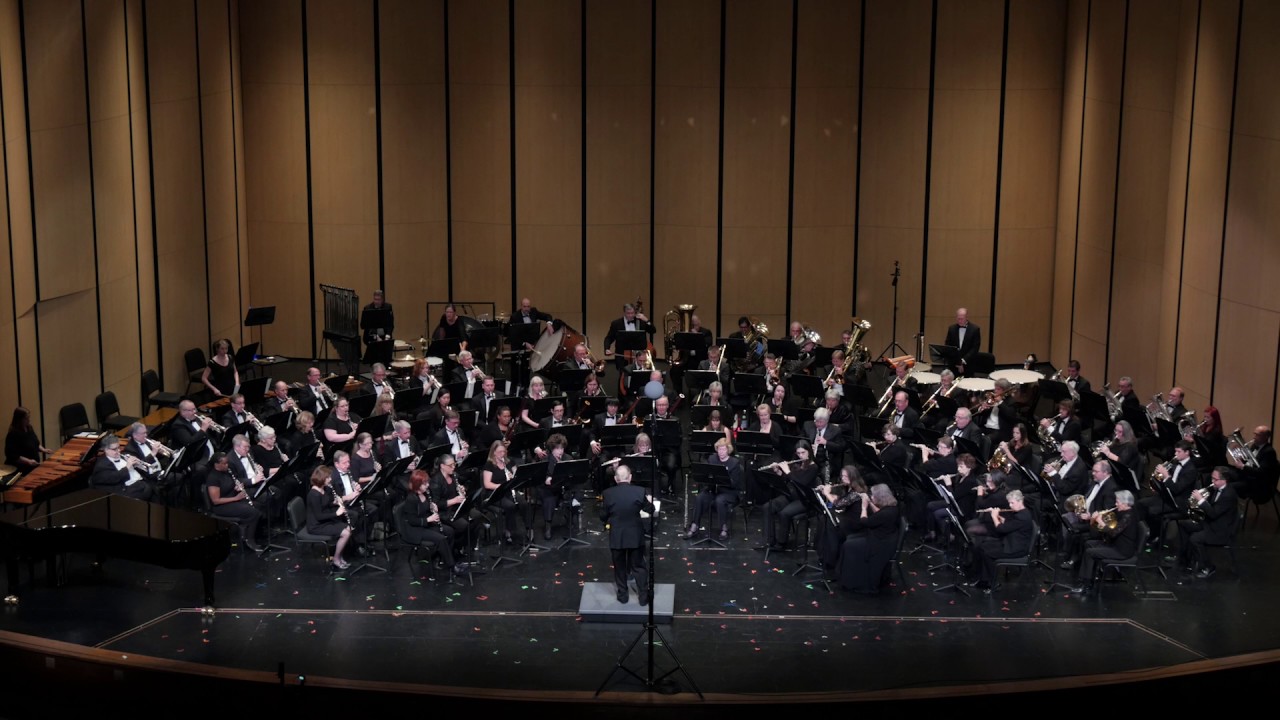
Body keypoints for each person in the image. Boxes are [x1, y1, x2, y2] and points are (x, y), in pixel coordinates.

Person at [599, 464, 653, 605]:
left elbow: (603, 516)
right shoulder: (639, 491)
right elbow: (651, 509)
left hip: (617, 536)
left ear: (616, 479)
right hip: (635, 535)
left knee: (620, 567)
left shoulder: (608, 493)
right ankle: (643, 597)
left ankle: (623, 596)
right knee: (638, 566)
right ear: (630, 477)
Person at [835, 483, 901, 594]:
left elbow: (864, 522)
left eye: (873, 496)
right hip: (883, 538)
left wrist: (864, 507)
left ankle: (852, 581)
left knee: (848, 545)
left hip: (881, 544)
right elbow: (878, 513)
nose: (872, 497)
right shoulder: (892, 508)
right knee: (851, 539)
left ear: (880, 497)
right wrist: (869, 502)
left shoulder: (886, 513)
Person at [1070, 489, 1140, 594]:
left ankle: (1086, 584)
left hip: (1122, 550)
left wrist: (1100, 522)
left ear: (1125, 504)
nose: (1115, 504)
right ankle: (1091, 577)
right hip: (1114, 544)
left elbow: (1113, 533)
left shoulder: (1129, 516)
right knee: (1088, 544)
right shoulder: (1120, 511)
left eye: (1118, 502)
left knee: (1089, 553)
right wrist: (1092, 517)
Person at [400, 468, 467, 575]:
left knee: (449, 531)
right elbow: (412, 521)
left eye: (427, 482)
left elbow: (426, 508)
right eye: (424, 483)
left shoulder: (426, 493)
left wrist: (432, 507)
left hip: (426, 525)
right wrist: (429, 519)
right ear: (417, 484)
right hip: (415, 530)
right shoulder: (411, 499)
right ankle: (452, 566)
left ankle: (444, 558)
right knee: (440, 539)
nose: (427, 485)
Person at [1176, 466, 1239, 577]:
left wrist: (1201, 500)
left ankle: (1207, 566)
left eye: (1215, 479)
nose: (1212, 481)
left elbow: (1213, 514)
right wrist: (1201, 501)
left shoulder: (1229, 495)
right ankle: (1185, 558)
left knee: (1195, 539)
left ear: (1224, 480)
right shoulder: (1215, 488)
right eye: (1212, 478)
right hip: (1210, 523)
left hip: (1220, 531)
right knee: (1183, 524)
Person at [967, 489, 1032, 592]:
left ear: (1020, 501)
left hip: (1016, 549)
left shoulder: (1022, 516)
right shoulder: (1020, 512)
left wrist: (994, 517)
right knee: (982, 546)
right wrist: (998, 516)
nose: (1010, 505)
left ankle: (993, 582)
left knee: (986, 552)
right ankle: (982, 578)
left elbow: (1001, 529)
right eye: (1009, 503)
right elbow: (1009, 524)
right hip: (1010, 543)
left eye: (1012, 503)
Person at [761, 442, 819, 550]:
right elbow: (788, 480)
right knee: (767, 507)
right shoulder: (797, 464)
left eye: (803, 452)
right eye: (798, 453)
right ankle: (769, 541)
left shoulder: (813, 467)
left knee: (784, 513)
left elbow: (801, 482)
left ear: (809, 452)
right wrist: (778, 472)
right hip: (791, 495)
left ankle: (781, 543)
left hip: (804, 499)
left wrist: (787, 471)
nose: (801, 456)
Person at [684, 437, 744, 540]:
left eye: (723, 449)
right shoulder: (712, 459)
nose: (721, 452)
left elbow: (735, 483)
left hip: (729, 491)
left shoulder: (734, 463)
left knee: (720, 500)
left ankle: (723, 528)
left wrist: (723, 480)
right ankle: (694, 525)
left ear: (728, 450)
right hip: (714, 489)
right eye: (719, 449)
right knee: (700, 497)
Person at [205, 451, 262, 551]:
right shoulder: (213, 478)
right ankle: (249, 540)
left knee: (258, 506)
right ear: (216, 464)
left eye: (227, 462)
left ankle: (249, 532)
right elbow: (216, 500)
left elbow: (230, 486)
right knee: (253, 512)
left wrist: (237, 487)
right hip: (221, 506)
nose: (227, 465)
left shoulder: (227, 471)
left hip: (233, 500)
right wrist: (236, 498)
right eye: (224, 463)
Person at [305, 465, 352, 570]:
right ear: (321, 478)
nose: (330, 479)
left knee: (349, 528)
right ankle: (336, 559)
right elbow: (319, 516)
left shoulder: (324, 489)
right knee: (346, 533)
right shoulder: (314, 495)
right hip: (316, 525)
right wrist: (336, 514)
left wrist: (334, 502)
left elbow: (325, 504)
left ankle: (339, 555)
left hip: (325, 521)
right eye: (328, 477)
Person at [482, 440, 523, 544]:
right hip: (494, 493)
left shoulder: (508, 462)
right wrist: (501, 486)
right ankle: (510, 531)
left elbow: (517, 475)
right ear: (494, 452)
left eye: (504, 451)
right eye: (500, 452)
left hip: (508, 490)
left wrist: (512, 477)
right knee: (510, 506)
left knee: (523, 502)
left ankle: (528, 529)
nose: (502, 454)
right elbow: (487, 484)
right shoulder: (489, 465)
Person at [91, 437, 154, 501]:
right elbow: (113, 478)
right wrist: (127, 467)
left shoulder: (123, 456)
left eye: (118, 447)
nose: (118, 451)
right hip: (128, 490)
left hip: (141, 482)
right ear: (106, 450)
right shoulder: (101, 465)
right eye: (114, 449)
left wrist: (136, 464)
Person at [602, 303, 656, 374]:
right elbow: (609, 338)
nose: (630, 315)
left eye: (632, 313)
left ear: (635, 312)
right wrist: (607, 348)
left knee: (641, 375)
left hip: (640, 356)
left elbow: (653, 331)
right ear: (624, 312)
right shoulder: (616, 324)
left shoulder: (641, 322)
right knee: (623, 375)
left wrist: (647, 320)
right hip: (622, 356)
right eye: (628, 313)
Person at [5, 407, 49, 475]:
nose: (29, 420)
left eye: (29, 417)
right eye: (26, 418)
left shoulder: (29, 428)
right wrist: (28, 461)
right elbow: (12, 455)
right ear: (19, 419)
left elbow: (35, 443)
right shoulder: (13, 434)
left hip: (32, 467)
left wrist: (43, 450)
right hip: (21, 469)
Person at [944, 308, 981, 372]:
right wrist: (957, 361)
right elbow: (948, 345)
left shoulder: (975, 329)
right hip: (954, 364)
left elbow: (975, 348)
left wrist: (962, 361)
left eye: (962, 319)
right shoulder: (951, 328)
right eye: (958, 318)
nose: (960, 321)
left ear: (967, 317)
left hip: (968, 364)